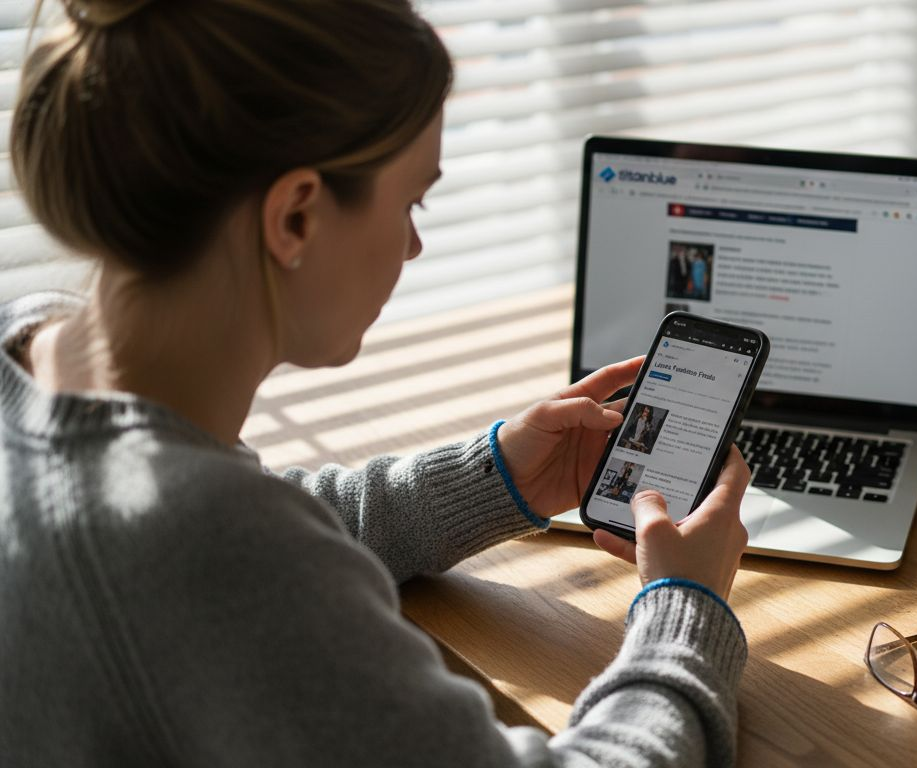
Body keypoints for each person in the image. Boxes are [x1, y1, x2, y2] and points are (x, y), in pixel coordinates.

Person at [0, 1, 750, 766]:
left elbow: (242, 545)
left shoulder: (28, 361)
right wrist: (687, 609)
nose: (415, 245)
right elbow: (230, 558)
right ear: (295, 217)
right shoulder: (202, 544)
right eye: (410, 202)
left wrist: (490, 479)